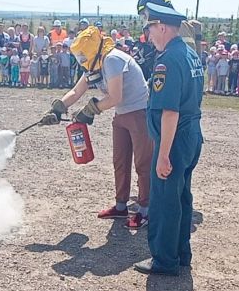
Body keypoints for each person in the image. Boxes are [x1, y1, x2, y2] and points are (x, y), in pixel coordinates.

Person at [39, 25, 153, 230]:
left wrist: (90, 110)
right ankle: (121, 207)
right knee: (120, 160)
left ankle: (146, 210)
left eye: (83, 55)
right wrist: (58, 108)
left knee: (142, 163)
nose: (81, 60)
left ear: (91, 49)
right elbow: (76, 91)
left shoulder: (112, 60)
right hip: (122, 114)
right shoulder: (95, 63)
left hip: (139, 113)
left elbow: (115, 97)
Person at [132, 0, 204, 275]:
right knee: (182, 196)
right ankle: (181, 252)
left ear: (161, 25)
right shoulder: (189, 53)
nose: (149, 36)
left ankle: (164, 259)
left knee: (164, 200)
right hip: (191, 136)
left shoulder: (168, 60)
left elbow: (170, 112)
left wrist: (163, 155)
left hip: (173, 139)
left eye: (149, 28)